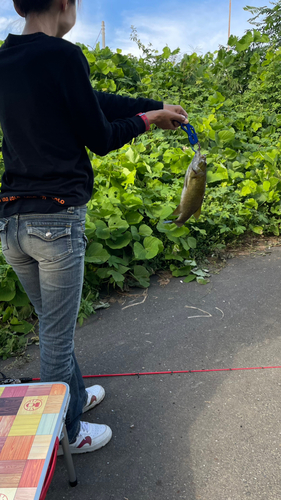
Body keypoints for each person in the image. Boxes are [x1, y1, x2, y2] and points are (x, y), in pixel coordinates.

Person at [0, 0, 188, 455]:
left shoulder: (6, 60)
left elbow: (96, 102)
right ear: (65, 3)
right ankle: (66, 432)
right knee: (58, 339)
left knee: (51, 324)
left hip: (10, 223)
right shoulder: (62, 55)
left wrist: (156, 106)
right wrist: (147, 121)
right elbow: (101, 136)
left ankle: (76, 399)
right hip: (57, 223)